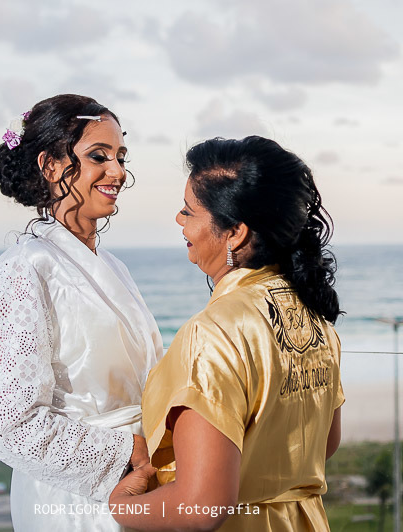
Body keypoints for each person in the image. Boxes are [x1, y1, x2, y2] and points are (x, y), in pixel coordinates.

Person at [109, 136, 344, 531]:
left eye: (189, 211)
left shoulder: (212, 334)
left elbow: (200, 507)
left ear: (234, 232)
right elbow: (324, 444)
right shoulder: (315, 317)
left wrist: (121, 506)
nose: (179, 221)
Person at [0, 94, 163, 531]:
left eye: (120, 156)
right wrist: (125, 452)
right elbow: (9, 424)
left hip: (141, 480)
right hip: (74, 501)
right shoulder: (24, 269)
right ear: (51, 165)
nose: (117, 171)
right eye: (99, 156)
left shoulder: (115, 268)